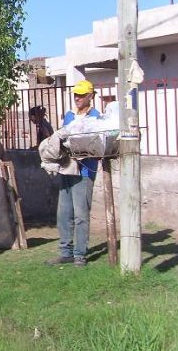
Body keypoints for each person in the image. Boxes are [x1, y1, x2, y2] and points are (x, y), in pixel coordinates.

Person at [46, 80, 99, 268]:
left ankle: (80, 254)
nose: (77, 98)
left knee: (81, 214)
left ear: (90, 96)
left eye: (82, 95)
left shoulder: (96, 117)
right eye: (76, 94)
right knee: (64, 213)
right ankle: (65, 252)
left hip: (84, 171)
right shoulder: (69, 116)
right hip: (67, 169)